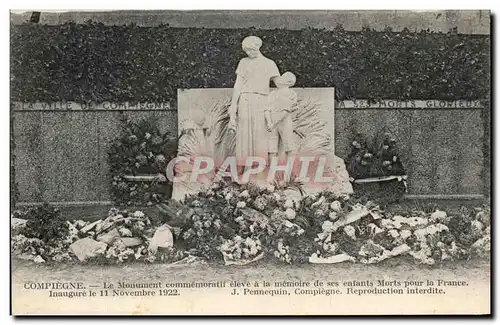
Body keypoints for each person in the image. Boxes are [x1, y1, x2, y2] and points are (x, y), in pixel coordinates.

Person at [228, 36, 280, 176]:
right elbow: (238, 85)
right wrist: (234, 105)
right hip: (245, 99)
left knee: (260, 135)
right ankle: (241, 170)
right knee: (243, 134)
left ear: (257, 46)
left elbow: (280, 84)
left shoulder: (270, 64)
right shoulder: (243, 62)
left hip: (261, 100)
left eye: (250, 49)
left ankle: (259, 171)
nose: (248, 53)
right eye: (246, 51)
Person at [264, 72, 298, 182]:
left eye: (283, 77)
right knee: (272, 148)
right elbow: (267, 109)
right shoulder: (272, 94)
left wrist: (273, 123)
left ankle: (287, 175)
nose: (279, 79)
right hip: (272, 122)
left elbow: (285, 111)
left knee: (289, 146)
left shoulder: (291, 94)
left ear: (289, 82)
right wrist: (269, 121)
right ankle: (271, 176)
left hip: (284, 121)